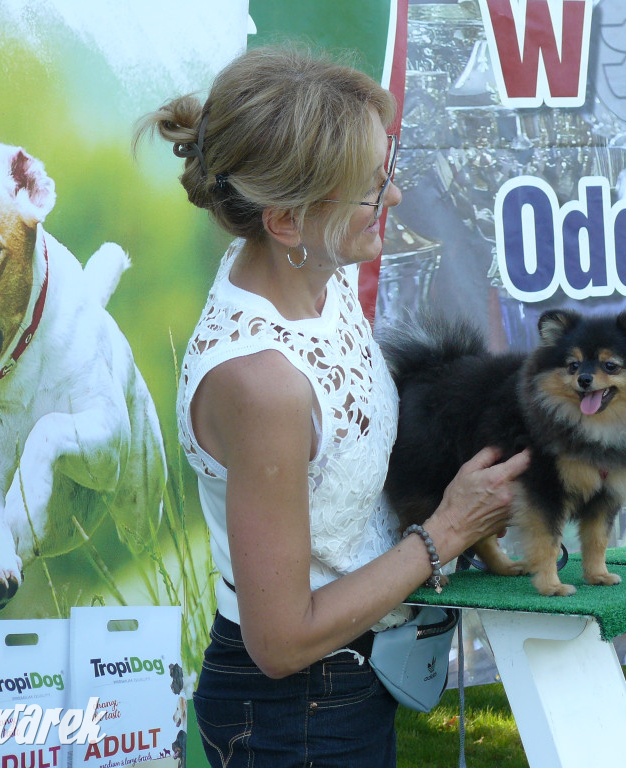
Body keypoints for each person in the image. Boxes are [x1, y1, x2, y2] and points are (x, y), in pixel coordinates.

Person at [135, 46, 530, 768]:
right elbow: (281, 639)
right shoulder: (262, 384)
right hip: (299, 712)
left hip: (347, 685)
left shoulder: (315, 274)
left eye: (387, 174)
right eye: (370, 191)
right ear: (285, 220)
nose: (396, 200)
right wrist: (445, 532)